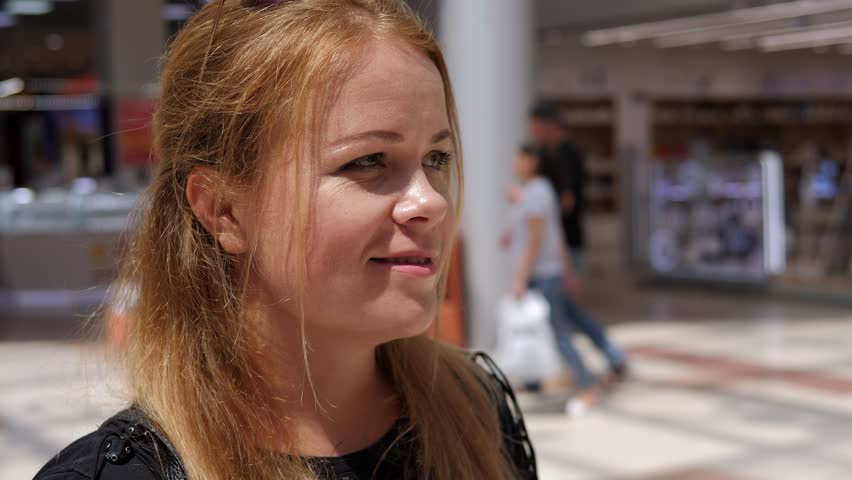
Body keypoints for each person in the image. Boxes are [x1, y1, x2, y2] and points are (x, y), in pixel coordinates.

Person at [33, 1, 536, 479]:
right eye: (367, 161)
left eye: (437, 158)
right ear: (224, 211)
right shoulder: (124, 473)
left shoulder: (477, 413)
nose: (431, 202)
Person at [506, 145, 626, 417]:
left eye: (519, 157)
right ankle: (535, 380)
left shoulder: (535, 193)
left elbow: (537, 238)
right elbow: (553, 234)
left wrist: (520, 276)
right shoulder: (539, 191)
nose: (515, 162)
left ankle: (587, 386)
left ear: (532, 161)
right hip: (551, 273)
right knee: (572, 319)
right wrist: (568, 270)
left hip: (543, 276)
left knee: (558, 332)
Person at [529, 101, 587, 269]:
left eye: (536, 127)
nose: (533, 132)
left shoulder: (569, 154)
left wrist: (539, 216)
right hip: (550, 244)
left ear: (550, 125)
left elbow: (567, 202)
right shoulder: (544, 154)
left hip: (567, 243)